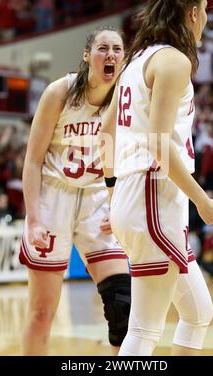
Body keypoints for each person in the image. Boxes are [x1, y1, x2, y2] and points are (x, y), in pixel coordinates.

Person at [100, 0, 213, 356]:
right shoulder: (173, 60)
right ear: (192, 12)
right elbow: (157, 142)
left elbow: (106, 132)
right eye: (205, 10)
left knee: (198, 312)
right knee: (143, 332)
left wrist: (111, 193)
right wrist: (202, 199)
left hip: (137, 195)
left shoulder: (138, 60)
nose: (205, 17)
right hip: (154, 197)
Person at [19, 26, 131, 355]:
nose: (111, 54)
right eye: (103, 48)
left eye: (117, 49)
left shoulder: (126, 99)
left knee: (122, 304)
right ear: (87, 56)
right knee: (42, 313)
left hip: (98, 198)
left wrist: (118, 202)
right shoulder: (60, 92)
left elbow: (128, 158)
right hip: (54, 196)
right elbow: (32, 161)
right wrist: (35, 219)